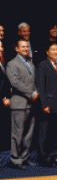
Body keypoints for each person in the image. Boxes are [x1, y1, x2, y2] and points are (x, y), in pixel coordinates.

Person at [6, 40, 38, 170]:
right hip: (19, 103)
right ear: (17, 49)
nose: (26, 48)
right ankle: (15, 160)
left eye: (27, 46)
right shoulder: (12, 64)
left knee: (28, 134)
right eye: (23, 47)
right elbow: (15, 83)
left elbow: (33, 82)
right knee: (17, 134)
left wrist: (36, 92)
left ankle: (24, 159)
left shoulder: (31, 64)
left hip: (31, 104)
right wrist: (31, 93)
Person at [36, 43, 57, 167]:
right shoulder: (42, 65)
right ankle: (44, 158)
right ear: (47, 52)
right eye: (52, 50)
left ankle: (54, 156)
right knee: (45, 133)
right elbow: (40, 86)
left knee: (56, 132)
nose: (55, 52)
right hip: (48, 105)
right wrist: (44, 104)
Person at [0, 41, 11, 169]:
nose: (1, 48)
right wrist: (3, 97)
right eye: (0, 46)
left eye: (2, 46)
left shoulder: (3, 63)